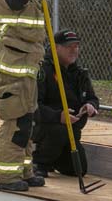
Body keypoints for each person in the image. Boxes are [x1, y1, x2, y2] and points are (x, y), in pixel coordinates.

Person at [0, 0, 47, 192]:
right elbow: (16, 0)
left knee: (27, 121)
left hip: (26, 68)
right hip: (12, 69)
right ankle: (7, 177)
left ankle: (24, 170)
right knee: (15, 122)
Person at [32, 30, 100, 178]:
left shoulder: (80, 74)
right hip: (47, 127)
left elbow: (93, 98)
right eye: (69, 46)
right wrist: (58, 116)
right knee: (59, 130)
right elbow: (34, 106)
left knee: (79, 169)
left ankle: (53, 159)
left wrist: (90, 106)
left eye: (76, 46)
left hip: (72, 132)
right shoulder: (44, 70)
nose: (74, 50)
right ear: (56, 48)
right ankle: (40, 163)